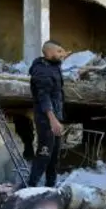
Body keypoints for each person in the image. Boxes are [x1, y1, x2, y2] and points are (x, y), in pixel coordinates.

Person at [27, 40, 67, 187]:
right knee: (44, 154)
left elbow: (57, 59)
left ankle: (50, 189)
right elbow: (44, 97)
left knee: (54, 157)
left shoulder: (53, 66)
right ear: (49, 53)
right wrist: (53, 120)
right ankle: (30, 188)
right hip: (46, 119)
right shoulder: (41, 71)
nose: (62, 54)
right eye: (59, 51)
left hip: (55, 116)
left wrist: (62, 55)